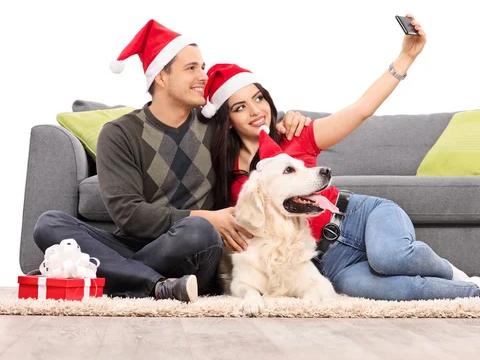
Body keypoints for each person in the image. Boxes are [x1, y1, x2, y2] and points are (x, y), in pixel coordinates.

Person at [200, 15, 480, 301]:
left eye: (258, 98)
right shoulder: (230, 177)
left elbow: (360, 110)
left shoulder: (296, 133)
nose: (256, 110)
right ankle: (477, 294)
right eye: (240, 106)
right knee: (370, 287)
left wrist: (406, 57)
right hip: (329, 260)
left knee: (390, 255)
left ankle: (465, 277)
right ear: (225, 118)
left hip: (358, 216)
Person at [32, 20, 309, 302]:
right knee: (48, 224)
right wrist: (202, 216)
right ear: (161, 77)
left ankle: (107, 273)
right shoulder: (119, 134)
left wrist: (291, 121)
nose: (203, 76)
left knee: (199, 231)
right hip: (136, 245)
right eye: (191, 68)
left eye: (202, 66)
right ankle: (157, 285)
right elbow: (128, 215)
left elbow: (259, 127)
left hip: (195, 248)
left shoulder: (216, 126)